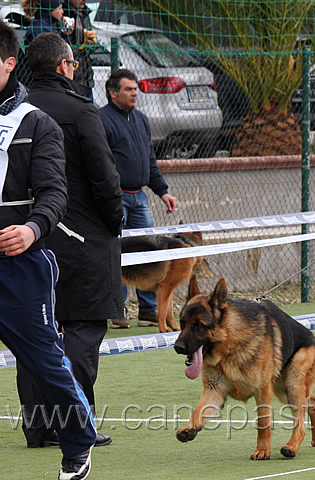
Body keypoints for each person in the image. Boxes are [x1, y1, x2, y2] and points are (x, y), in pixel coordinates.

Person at [16, 31, 123, 450]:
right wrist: (114, 222)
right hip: (81, 238)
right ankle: (74, 425)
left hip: (27, 237)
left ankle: (39, 426)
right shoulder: (81, 111)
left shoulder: (15, 112)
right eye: (74, 64)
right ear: (65, 66)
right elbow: (105, 177)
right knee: (81, 329)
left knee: (33, 329)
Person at [0, 21, 95, 480]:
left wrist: (32, 231)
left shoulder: (37, 123)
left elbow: (55, 194)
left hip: (19, 268)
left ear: (9, 64)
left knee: (43, 363)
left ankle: (77, 447)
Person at [99, 68, 177, 329]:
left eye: (136, 89)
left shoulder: (142, 120)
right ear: (113, 93)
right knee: (116, 253)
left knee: (150, 254)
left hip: (140, 198)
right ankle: (117, 311)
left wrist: (162, 191)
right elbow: (100, 163)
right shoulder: (101, 120)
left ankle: (147, 310)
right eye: (129, 89)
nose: (135, 93)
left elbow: (150, 161)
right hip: (116, 199)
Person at [63, 0, 97, 98]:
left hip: (86, 78)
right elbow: (62, 49)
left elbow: (90, 48)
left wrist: (90, 44)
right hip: (71, 80)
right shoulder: (61, 15)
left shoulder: (83, 14)